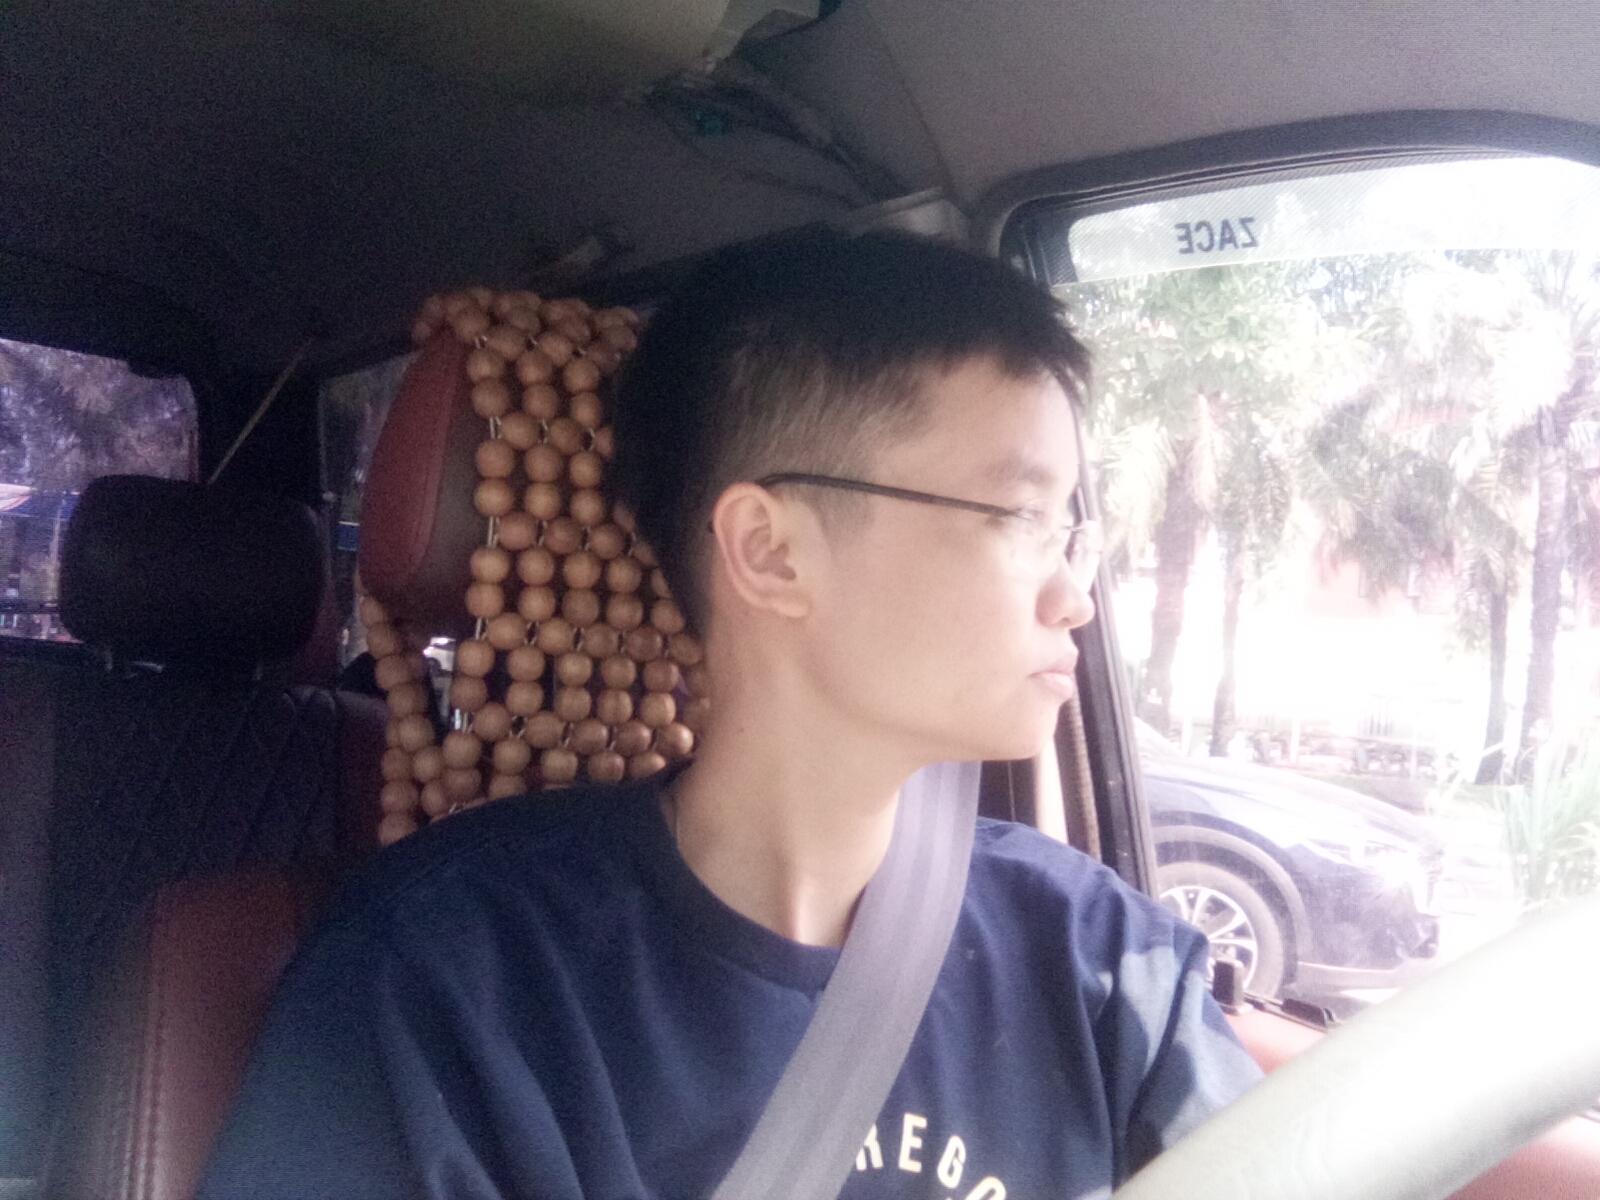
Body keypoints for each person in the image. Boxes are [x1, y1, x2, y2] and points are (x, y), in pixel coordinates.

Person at [197, 229, 1261, 1200]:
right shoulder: (442, 991)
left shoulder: (1107, 963)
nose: (1075, 596)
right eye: (1020, 517)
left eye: (1070, 530)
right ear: (770, 551)